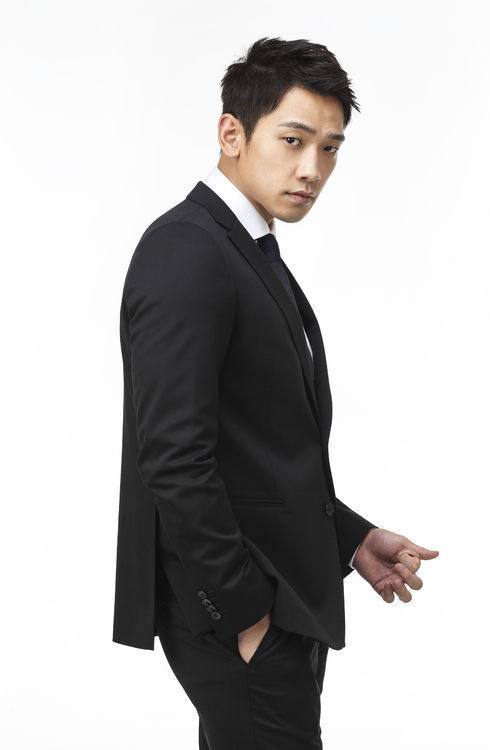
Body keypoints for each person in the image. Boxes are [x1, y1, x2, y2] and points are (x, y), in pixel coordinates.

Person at [112, 36, 439, 749]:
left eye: (330, 148)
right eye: (294, 140)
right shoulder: (188, 250)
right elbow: (173, 456)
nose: (312, 169)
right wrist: (245, 614)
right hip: (243, 614)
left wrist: (350, 538)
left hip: (282, 599)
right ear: (231, 133)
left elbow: (254, 446)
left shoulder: (244, 248)